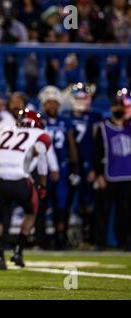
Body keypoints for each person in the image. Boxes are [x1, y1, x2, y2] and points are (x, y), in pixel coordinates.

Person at [0, 108, 51, 270]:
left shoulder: (3, 130)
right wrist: (43, 184)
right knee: (32, 211)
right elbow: (41, 157)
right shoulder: (41, 135)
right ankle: (18, 250)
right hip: (20, 180)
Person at [36, 86, 80, 249]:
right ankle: (41, 240)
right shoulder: (38, 122)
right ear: (43, 104)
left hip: (62, 168)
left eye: (55, 103)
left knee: (61, 205)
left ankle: (60, 238)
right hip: (42, 169)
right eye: (49, 103)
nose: (52, 106)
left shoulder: (65, 122)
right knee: (41, 205)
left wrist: (75, 168)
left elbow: (71, 144)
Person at [64, 82, 102, 246]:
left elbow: (98, 144)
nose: (81, 100)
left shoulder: (95, 117)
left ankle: (88, 236)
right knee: (65, 201)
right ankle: (64, 237)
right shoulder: (65, 117)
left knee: (88, 203)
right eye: (78, 97)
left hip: (87, 164)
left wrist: (95, 167)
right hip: (69, 165)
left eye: (84, 97)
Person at [93, 93, 131, 251]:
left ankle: (125, 242)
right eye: (116, 106)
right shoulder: (102, 127)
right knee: (104, 212)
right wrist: (99, 174)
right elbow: (97, 152)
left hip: (128, 176)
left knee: (126, 213)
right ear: (111, 108)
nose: (119, 109)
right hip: (109, 175)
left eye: (121, 107)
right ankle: (100, 242)